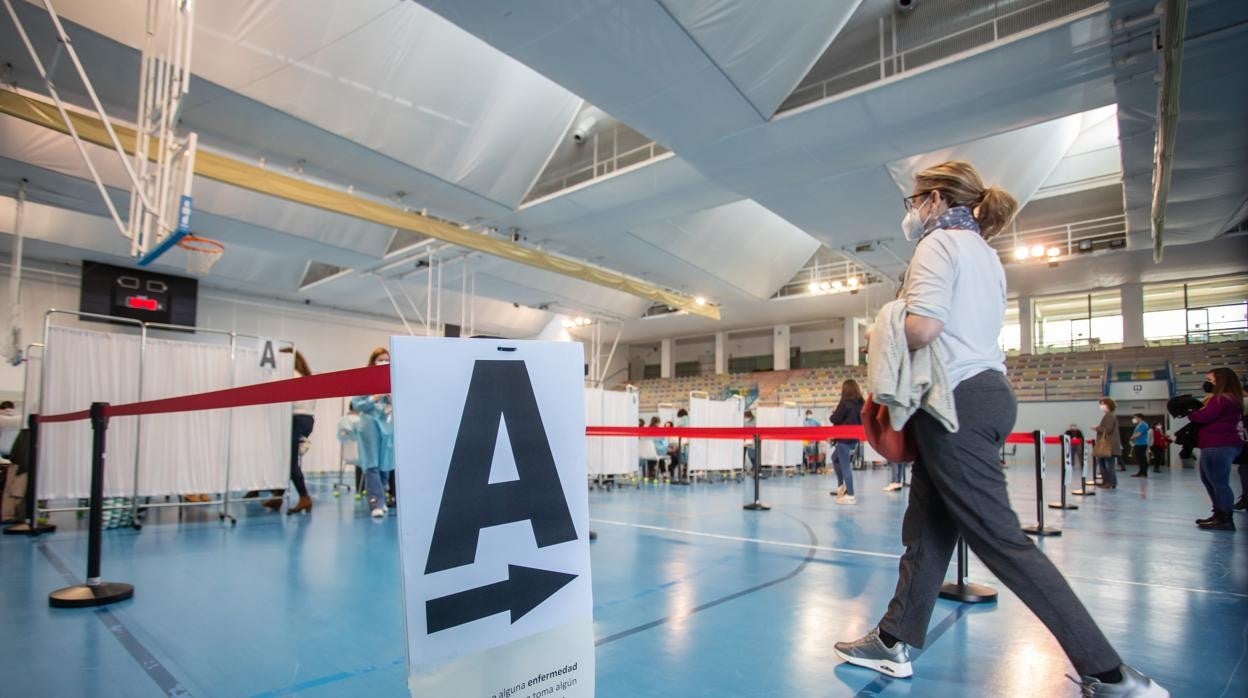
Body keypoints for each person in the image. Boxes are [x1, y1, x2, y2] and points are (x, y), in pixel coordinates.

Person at [833, 161, 1165, 696]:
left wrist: (882, 326)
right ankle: (893, 640)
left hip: (956, 401)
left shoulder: (938, 245)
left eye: (913, 202)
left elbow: (923, 327)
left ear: (935, 200)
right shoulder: (984, 253)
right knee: (927, 529)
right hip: (983, 392)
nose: (912, 213)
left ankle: (1110, 673)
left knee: (1002, 541)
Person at [1188, 368, 1244, 531]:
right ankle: (1219, 514)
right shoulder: (1230, 398)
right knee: (1211, 481)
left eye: (1211, 380)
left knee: (1219, 483)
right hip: (1217, 444)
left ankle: (1225, 517)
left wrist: (1190, 411)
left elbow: (1203, 417)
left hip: (1218, 445)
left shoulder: (1223, 399)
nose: (1208, 383)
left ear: (1221, 381)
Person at [265, 350, 316, 514]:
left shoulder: (290, 375)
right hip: (307, 420)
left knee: (289, 461)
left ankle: (304, 497)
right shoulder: (305, 376)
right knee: (287, 460)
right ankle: (278, 496)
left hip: (296, 419)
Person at [352, 348, 394, 518]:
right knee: (372, 465)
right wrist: (373, 398)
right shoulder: (364, 380)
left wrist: (391, 400)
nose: (384, 362)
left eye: (387, 359)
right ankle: (376, 502)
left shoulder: (392, 380)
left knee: (385, 465)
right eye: (380, 359)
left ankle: (381, 498)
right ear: (373, 361)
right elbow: (357, 404)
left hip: (386, 425)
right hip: (369, 425)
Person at [828, 380, 864, 504]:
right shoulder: (861, 403)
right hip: (855, 438)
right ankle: (841, 486)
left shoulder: (845, 403)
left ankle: (850, 494)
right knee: (835, 458)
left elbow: (835, 419)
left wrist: (833, 413)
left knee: (845, 466)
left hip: (844, 438)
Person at [1093, 398, 1122, 488]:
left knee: (1108, 464)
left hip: (1109, 445)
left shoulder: (1109, 416)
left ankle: (1109, 482)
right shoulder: (1109, 415)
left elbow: (1108, 429)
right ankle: (1109, 482)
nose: (1101, 406)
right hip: (1110, 445)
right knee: (1105, 463)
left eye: (1102, 404)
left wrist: (1097, 428)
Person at [1128, 414, 1150, 478]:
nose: (1134, 419)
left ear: (1139, 418)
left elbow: (1138, 434)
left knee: (1143, 459)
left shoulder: (1143, 424)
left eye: (1135, 418)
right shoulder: (1139, 425)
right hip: (1138, 443)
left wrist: (1131, 438)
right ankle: (1140, 472)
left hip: (1142, 444)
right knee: (1140, 459)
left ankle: (1144, 473)